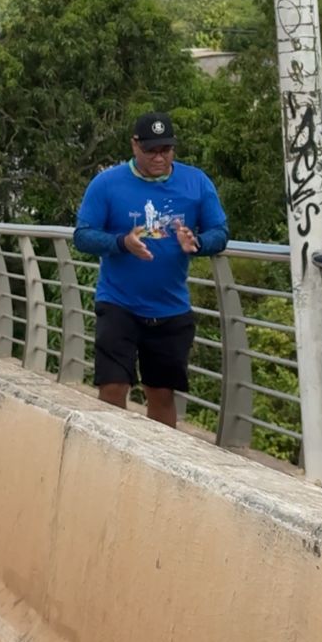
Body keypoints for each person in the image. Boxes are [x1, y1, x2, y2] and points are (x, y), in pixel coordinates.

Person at [74, 110, 228, 428]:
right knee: (113, 387)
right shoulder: (107, 183)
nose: (159, 157)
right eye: (151, 150)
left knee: (161, 394)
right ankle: (111, 453)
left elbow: (220, 231)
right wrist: (120, 243)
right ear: (134, 146)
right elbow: (83, 235)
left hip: (170, 308)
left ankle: (160, 463)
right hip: (119, 304)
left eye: (166, 150)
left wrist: (197, 242)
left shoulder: (196, 182)